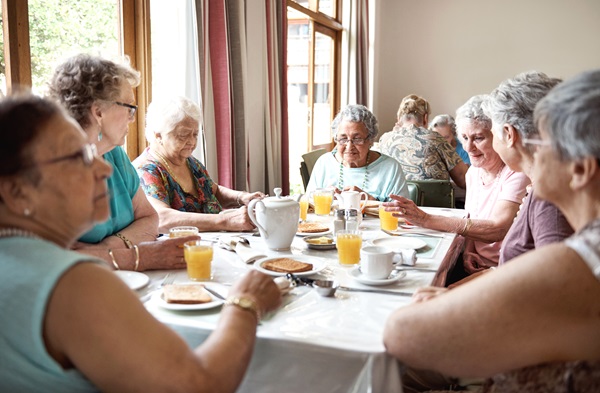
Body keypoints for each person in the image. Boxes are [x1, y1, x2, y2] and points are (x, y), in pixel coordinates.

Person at [0, 94, 282, 392]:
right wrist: (245, 303)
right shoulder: (71, 283)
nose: (104, 169)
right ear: (17, 192)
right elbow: (197, 385)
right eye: (78, 157)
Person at [383, 69, 600, 391]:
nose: (532, 155)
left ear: (580, 169)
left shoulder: (580, 254)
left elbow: (402, 333)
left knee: (389, 364)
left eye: (543, 145)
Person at [47, 53, 189, 271]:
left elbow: (150, 218)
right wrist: (138, 257)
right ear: (98, 112)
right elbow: (54, 261)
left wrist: (108, 249)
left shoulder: (114, 155)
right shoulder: (47, 169)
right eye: (128, 107)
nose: (132, 118)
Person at [384, 95, 529, 282]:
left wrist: (427, 219)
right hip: (476, 263)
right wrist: (468, 251)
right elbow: (471, 218)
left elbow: (498, 228)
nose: (469, 147)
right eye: (465, 138)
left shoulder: (516, 172)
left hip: (507, 268)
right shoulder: (473, 173)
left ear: (499, 136)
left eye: (478, 138)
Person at [133, 96, 265, 233]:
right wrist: (226, 221)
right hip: (181, 249)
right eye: (183, 135)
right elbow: (161, 218)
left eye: (195, 134)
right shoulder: (146, 170)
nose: (191, 142)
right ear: (158, 135)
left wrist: (241, 197)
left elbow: (214, 190)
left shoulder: (189, 161)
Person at [484, 71, 573, 264]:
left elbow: (554, 279)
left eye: (492, 134)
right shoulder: (542, 186)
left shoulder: (549, 197)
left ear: (509, 134)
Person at [306, 104, 409, 201]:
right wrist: (323, 198)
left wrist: (370, 201)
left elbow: (403, 213)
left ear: (370, 140)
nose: (349, 146)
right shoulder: (324, 163)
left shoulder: (390, 168)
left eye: (357, 139)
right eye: (343, 138)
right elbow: (307, 204)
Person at [379, 95, 468, 189]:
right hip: (431, 202)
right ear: (425, 118)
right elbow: (463, 179)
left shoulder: (384, 139)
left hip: (393, 201)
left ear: (399, 118)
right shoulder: (434, 138)